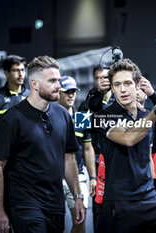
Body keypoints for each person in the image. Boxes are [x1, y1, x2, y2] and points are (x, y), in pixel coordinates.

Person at [0, 55, 85, 233]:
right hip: (24, 204)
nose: (59, 85)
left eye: (58, 79)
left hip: (55, 204)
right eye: (52, 81)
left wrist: (78, 196)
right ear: (34, 84)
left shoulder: (63, 115)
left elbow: (69, 158)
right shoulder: (12, 119)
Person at [92, 58, 156, 233]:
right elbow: (128, 138)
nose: (123, 89)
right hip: (120, 202)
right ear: (112, 88)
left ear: (137, 85)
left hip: (151, 198)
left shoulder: (147, 115)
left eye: (127, 83)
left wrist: (154, 96)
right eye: (117, 85)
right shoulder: (102, 117)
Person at [57, 75, 96, 233]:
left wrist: (93, 177)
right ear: (58, 92)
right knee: (54, 223)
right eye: (67, 91)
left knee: (80, 219)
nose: (71, 95)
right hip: (54, 177)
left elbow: (88, 148)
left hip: (78, 176)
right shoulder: (48, 116)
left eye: (73, 91)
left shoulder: (82, 118)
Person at [0, 55, 29, 137]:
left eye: (22, 70)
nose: (21, 74)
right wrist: (3, 132)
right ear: (6, 73)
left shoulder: (31, 95)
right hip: (4, 146)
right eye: (16, 70)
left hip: (27, 146)